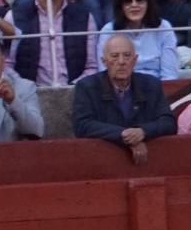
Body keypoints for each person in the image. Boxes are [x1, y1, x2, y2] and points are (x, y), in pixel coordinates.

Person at [72, 32, 177, 165]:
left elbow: (168, 122)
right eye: (115, 56)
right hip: (101, 162)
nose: (121, 62)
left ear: (135, 60)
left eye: (127, 56)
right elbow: (82, 126)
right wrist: (124, 135)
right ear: (104, 61)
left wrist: (143, 131)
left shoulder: (151, 84)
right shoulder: (86, 87)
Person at [4, 0, 98, 87]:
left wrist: (72, 89)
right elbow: (7, 65)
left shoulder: (85, 17)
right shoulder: (14, 17)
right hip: (30, 95)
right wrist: (28, 89)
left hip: (74, 93)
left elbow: (92, 67)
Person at [99, 0, 179, 79]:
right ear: (120, 5)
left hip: (156, 88)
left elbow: (169, 76)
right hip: (122, 88)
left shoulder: (164, 27)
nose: (134, 5)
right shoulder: (109, 30)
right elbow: (104, 72)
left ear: (148, 2)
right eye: (127, 0)